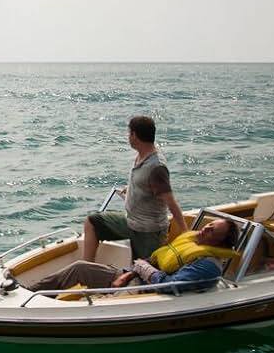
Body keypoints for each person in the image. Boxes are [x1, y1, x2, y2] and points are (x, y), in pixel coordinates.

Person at [22, 217, 240, 295]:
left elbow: (169, 285)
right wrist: (129, 274)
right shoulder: (190, 243)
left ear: (219, 242)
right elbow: (153, 260)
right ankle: (30, 293)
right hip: (133, 279)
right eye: (208, 225)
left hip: (146, 293)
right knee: (79, 267)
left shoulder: (207, 265)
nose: (205, 229)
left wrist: (144, 269)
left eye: (212, 231)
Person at [83, 115, 189, 262]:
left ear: (134, 135)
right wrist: (133, 188)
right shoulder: (142, 155)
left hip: (149, 232)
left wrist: (185, 232)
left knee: (143, 271)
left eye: (129, 133)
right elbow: (145, 182)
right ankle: (86, 267)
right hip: (131, 222)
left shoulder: (156, 167)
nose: (128, 137)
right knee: (92, 222)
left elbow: (171, 202)